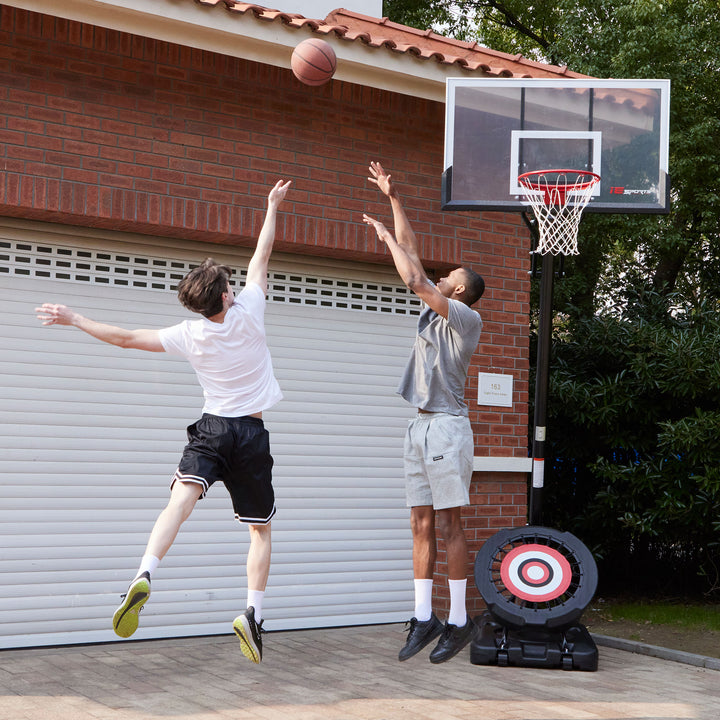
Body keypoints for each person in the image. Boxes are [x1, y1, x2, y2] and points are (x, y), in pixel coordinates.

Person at [35, 179, 292, 664]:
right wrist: (272, 206)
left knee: (179, 502)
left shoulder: (189, 335)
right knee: (259, 531)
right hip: (251, 434)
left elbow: (127, 338)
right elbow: (264, 253)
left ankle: (143, 573)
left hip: (213, 429)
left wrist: (75, 318)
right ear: (225, 299)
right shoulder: (250, 312)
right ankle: (252, 614)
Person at [363, 161, 485, 664]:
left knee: (450, 524)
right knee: (419, 524)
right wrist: (393, 200)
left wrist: (384, 240)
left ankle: (458, 620)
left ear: (459, 290)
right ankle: (423, 617)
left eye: (451, 274)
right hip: (419, 427)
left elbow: (412, 272)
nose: (444, 273)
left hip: (448, 430)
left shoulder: (465, 317)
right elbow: (414, 254)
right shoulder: (441, 307)